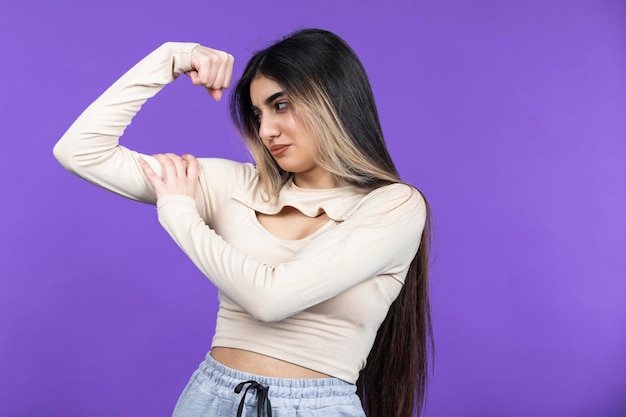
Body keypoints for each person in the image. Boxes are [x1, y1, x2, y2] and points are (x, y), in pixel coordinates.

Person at [53, 28, 433, 417]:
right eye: (258, 114)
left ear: (334, 100)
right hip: (210, 398)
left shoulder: (393, 205)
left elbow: (271, 299)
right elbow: (80, 152)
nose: (266, 130)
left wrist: (178, 212)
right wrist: (172, 57)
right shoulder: (237, 185)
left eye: (280, 105)